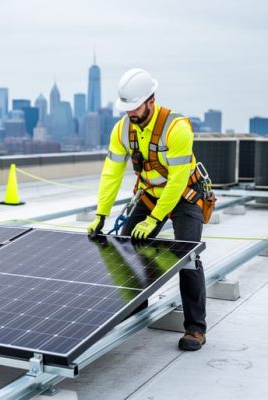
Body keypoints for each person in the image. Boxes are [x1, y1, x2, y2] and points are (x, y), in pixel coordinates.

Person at [87, 68, 207, 351]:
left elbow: (177, 181)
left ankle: (195, 328)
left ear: (151, 100)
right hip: (150, 195)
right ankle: (137, 307)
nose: (130, 113)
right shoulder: (122, 130)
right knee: (125, 247)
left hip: (185, 195)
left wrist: (153, 220)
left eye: (135, 107)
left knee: (188, 255)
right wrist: (101, 214)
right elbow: (111, 173)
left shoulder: (176, 128)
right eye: (126, 108)